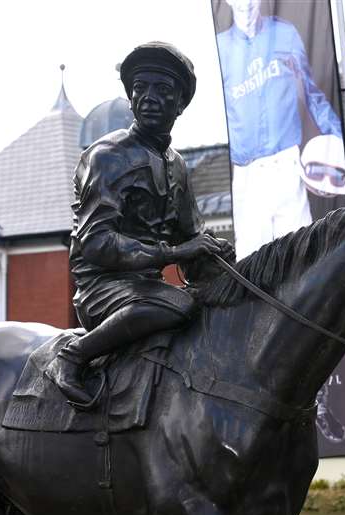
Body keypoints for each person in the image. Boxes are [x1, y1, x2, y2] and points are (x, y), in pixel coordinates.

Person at [52, 41, 233, 408]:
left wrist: (216, 254)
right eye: (140, 89)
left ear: (179, 105)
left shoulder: (177, 165)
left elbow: (191, 236)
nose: (149, 97)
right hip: (103, 290)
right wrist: (176, 252)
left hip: (145, 292)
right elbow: (96, 243)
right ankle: (72, 356)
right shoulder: (106, 157)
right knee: (179, 306)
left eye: (162, 91)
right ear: (131, 98)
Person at [215, 0, 345, 258]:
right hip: (246, 172)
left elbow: (311, 93)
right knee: (251, 264)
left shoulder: (284, 34)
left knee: (302, 258)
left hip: (286, 163)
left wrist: (338, 139)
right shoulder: (220, 48)